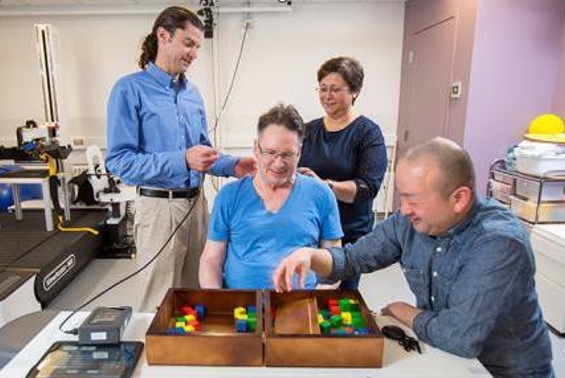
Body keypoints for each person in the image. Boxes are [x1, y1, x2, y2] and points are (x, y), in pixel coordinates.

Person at [273, 137, 554, 377]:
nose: (403, 209)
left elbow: (459, 337)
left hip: (503, 370)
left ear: (459, 199)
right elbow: (352, 259)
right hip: (444, 355)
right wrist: (309, 255)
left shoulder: (498, 243)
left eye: (413, 199)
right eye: (401, 197)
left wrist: (401, 310)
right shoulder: (409, 221)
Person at [105, 6, 256, 312]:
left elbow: (202, 153)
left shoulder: (192, 94)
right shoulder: (129, 89)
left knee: (200, 291)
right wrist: (181, 161)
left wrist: (232, 165)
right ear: (163, 36)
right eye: (189, 43)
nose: (195, 53)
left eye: (198, 46)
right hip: (159, 209)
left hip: (197, 207)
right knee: (160, 303)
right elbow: (120, 162)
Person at [199, 104, 343, 289]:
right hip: (239, 307)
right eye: (271, 152)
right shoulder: (229, 197)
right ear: (256, 149)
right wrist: (218, 303)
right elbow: (211, 260)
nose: (278, 163)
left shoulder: (321, 194)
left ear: (299, 151)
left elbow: (334, 263)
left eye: (287, 154)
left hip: (301, 304)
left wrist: (315, 301)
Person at [298, 57, 387, 290]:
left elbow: (368, 187)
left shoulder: (368, 133)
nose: (327, 96)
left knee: (339, 302)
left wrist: (324, 186)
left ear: (355, 91)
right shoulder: (307, 130)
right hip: (311, 230)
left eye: (335, 89)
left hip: (349, 233)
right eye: (323, 89)